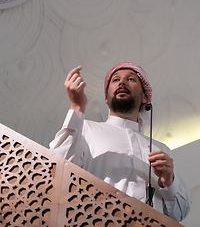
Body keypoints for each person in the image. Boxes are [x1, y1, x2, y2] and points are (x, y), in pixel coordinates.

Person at [49, 62, 191, 222]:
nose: (122, 82)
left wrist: (168, 182)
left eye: (131, 79)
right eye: (115, 80)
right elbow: (55, 170)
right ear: (106, 97)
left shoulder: (160, 148)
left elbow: (179, 214)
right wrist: (76, 107)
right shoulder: (85, 128)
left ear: (145, 96)